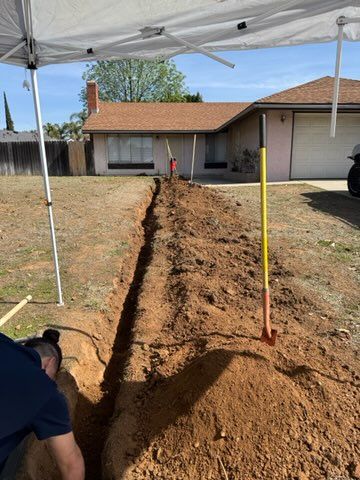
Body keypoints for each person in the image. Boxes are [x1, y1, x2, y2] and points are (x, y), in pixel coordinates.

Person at [0, 329, 85, 480]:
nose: (52, 382)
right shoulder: (47, 393)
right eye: (54, 377)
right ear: (50, 362)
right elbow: (71, 464)